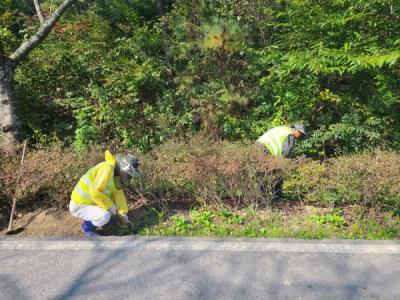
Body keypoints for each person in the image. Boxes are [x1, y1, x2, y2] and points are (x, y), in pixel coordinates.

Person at [69, 150, 140, 237]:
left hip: (92, 203)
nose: (128, 178)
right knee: (105, 216)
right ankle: (87, 228)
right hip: (79, 205)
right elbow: (95, 193)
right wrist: (111, 207)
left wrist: (123, 214)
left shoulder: (116, 176)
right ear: (124, 169)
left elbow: (119, 195)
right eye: (129, 175)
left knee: (110, 211)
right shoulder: (107, 169)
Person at [256, 124, 306, 200]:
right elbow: (285, 153)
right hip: (266, 149)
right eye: (300, 133)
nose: (301, 136)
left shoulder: (283, 129)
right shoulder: (290, 135)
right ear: (295, 130)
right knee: (279, 172)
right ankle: (276, 196)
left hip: (258, 145)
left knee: (262, 172)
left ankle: (261, 196)